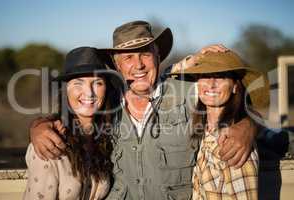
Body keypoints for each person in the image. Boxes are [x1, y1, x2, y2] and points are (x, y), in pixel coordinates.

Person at [29, 21, 258, 199]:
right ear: (116, 65)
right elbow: (71, 113)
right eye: (128, 57)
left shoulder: (188, 92)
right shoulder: (105, 103)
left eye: (145, 54)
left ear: (158, 56)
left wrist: (246, 125)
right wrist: (38, 126)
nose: (138, 65)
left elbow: (234, 102)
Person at [23, 47, 121, 200]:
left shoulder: (107, 136)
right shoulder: (50, 143)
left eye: (97, 83)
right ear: (65, 90)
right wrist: (37, 126)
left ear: (106, 89)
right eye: (78, 83)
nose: (89, 93)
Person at [171, 51, 268, 199]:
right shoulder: (202, 132)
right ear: (197, 82)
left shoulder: (235, 144)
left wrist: (250, 125)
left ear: (235, 86)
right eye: (205, 76)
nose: (211, 84)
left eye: (220, 77)